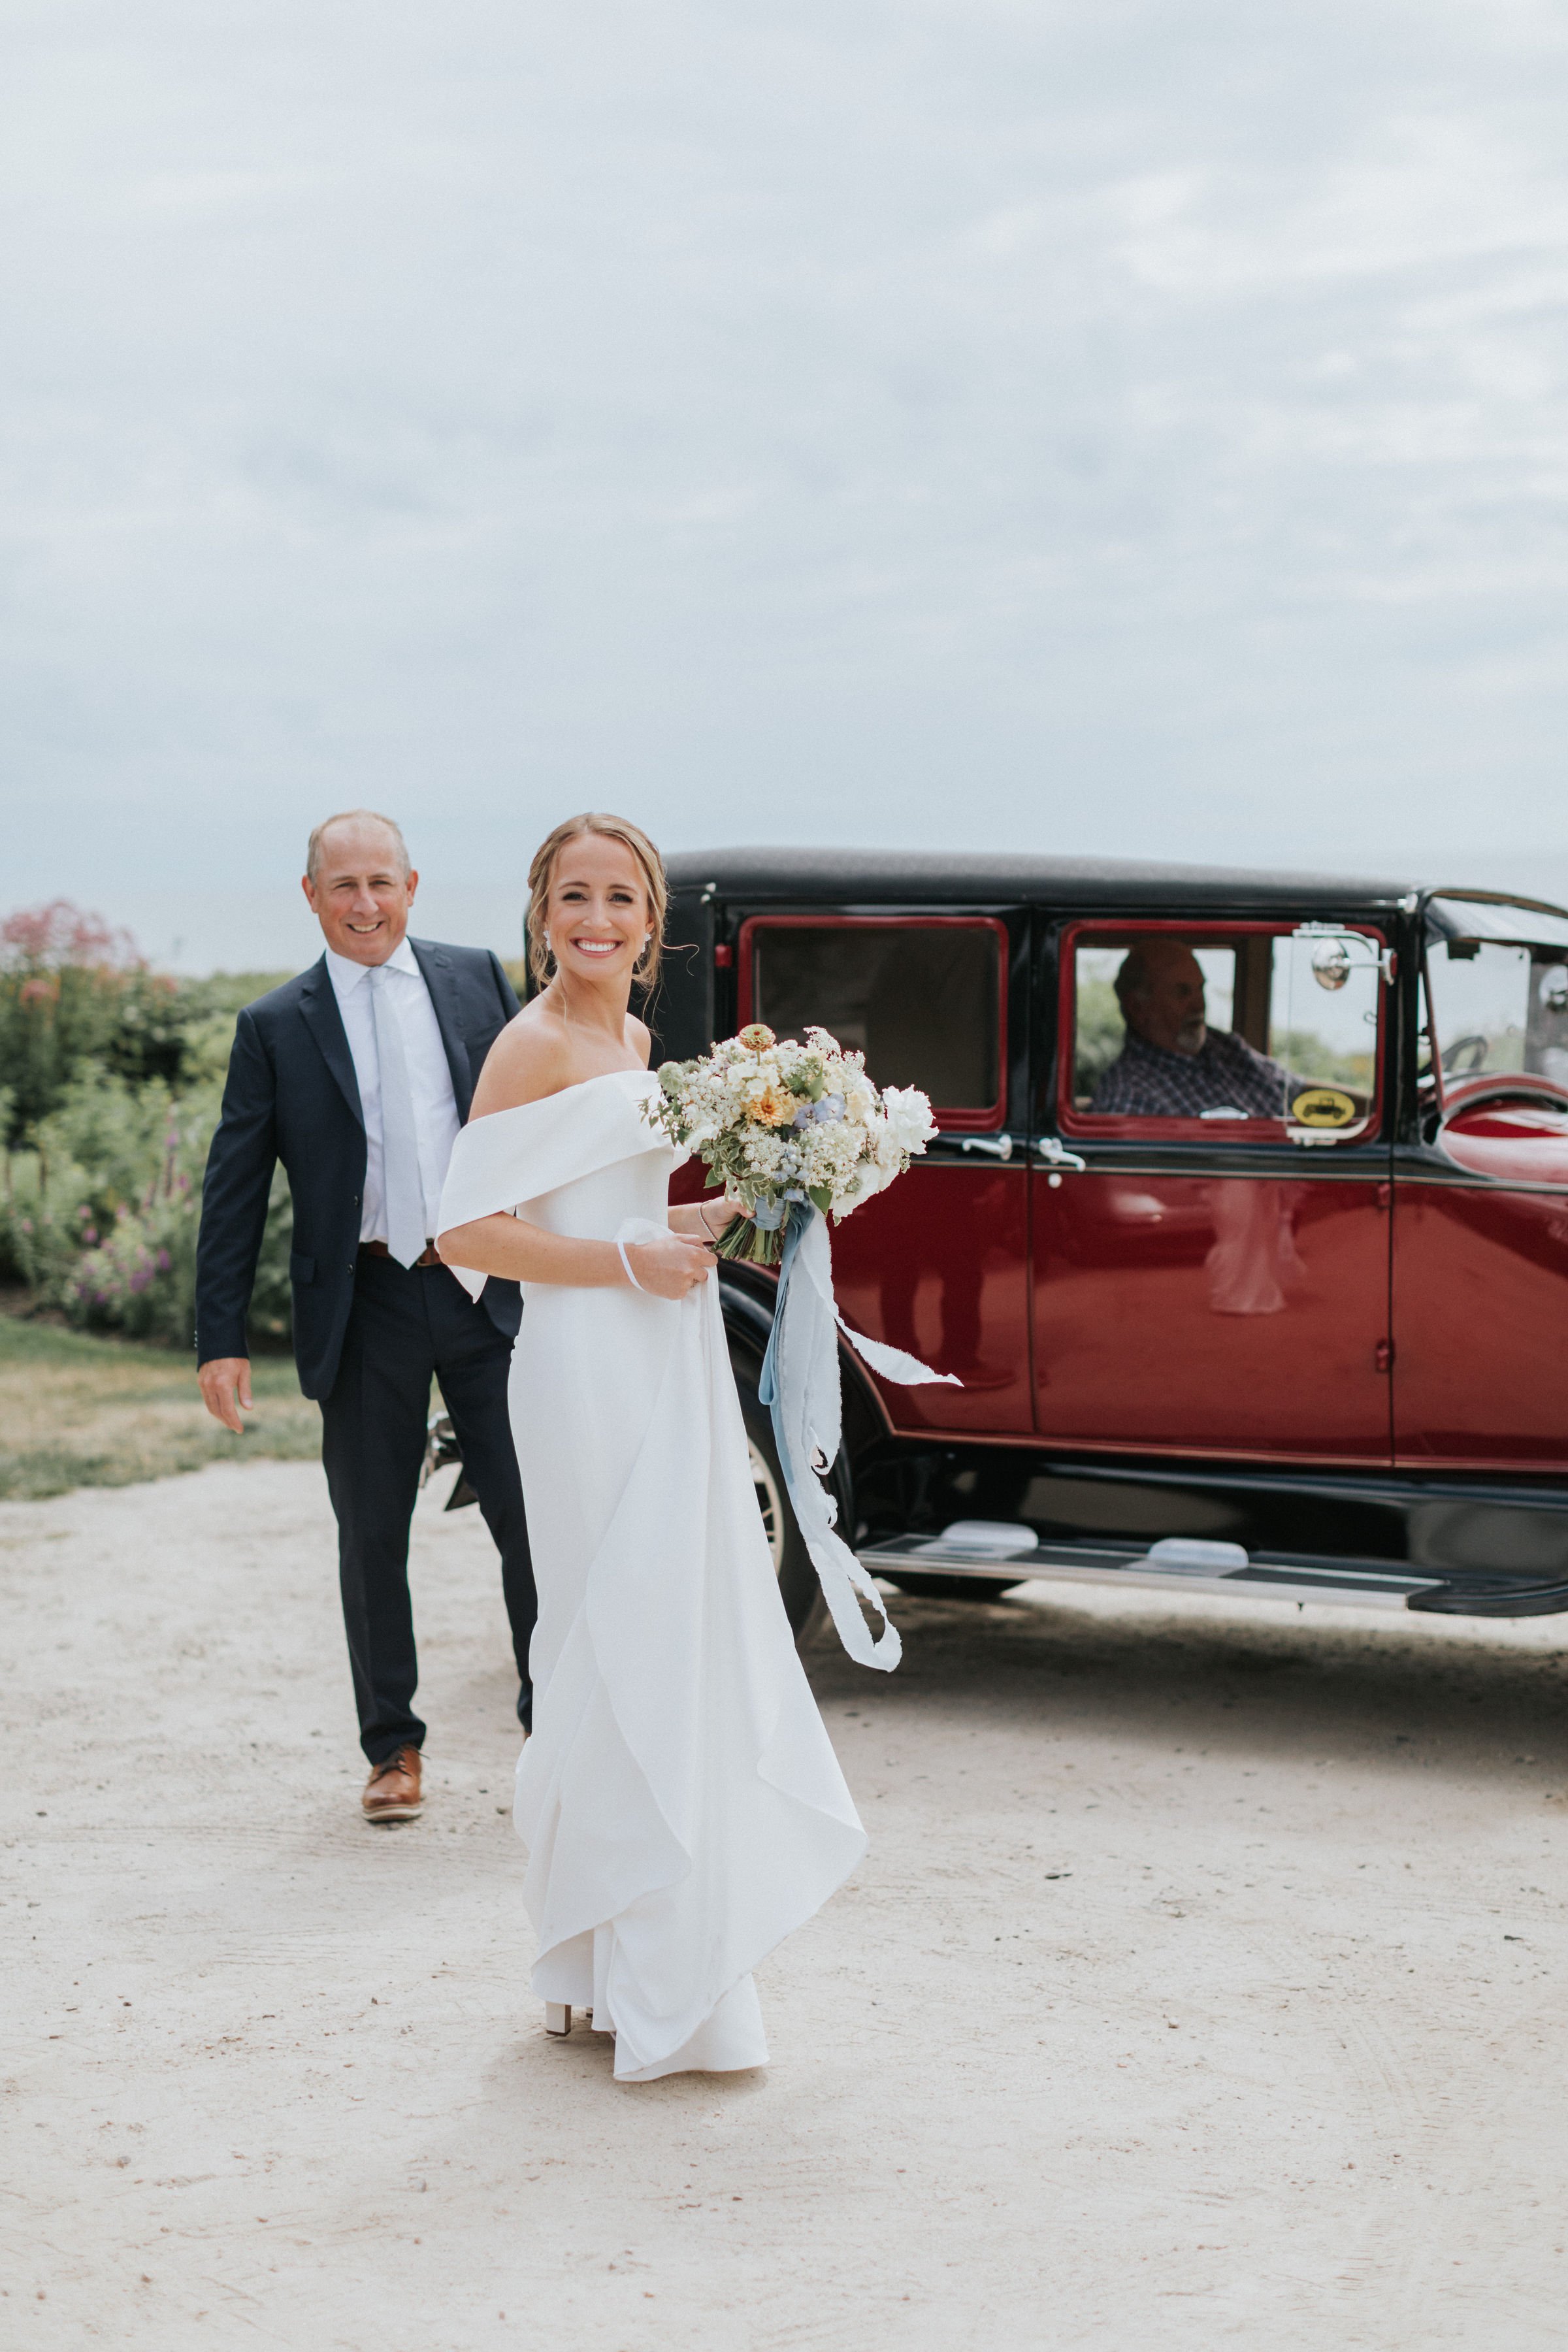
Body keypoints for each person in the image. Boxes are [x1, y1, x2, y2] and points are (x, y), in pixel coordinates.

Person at [436, 812, 866, 2080]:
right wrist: (626, 1259)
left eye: (621, 898)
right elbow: (466, 1233)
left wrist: (729, 1204)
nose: (599, 919)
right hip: (576, 1369)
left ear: (651, 920)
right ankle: (608, 1960)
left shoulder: (632, 1040)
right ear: (541, 912)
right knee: (600, 1640)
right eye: (576, 896)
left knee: (668, 1644)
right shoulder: (526, 1046)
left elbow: (624, 1206)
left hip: (662, 1358)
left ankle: (606, 1964)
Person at [194, 809, 536, 1825]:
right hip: (367, 1297)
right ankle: (392, 1748)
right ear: (311, 897)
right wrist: (220, 1337)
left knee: (531, 1519)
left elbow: (533, 1129)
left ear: (413, 886)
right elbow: (234, 1189)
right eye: (342, 886)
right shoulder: (274, 1026)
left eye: (381, 882)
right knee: (371, 1534)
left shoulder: (477, 977)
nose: (364, 904)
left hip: (487, 1289)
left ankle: (552, 1724)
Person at [1090, 937, 1291, 1117]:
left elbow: (1293, 1090)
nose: (1200, 1005)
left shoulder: (1226, 1047)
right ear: (1137, 1007)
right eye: (1182, 992)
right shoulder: (1130, 1094)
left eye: (1200, 989)